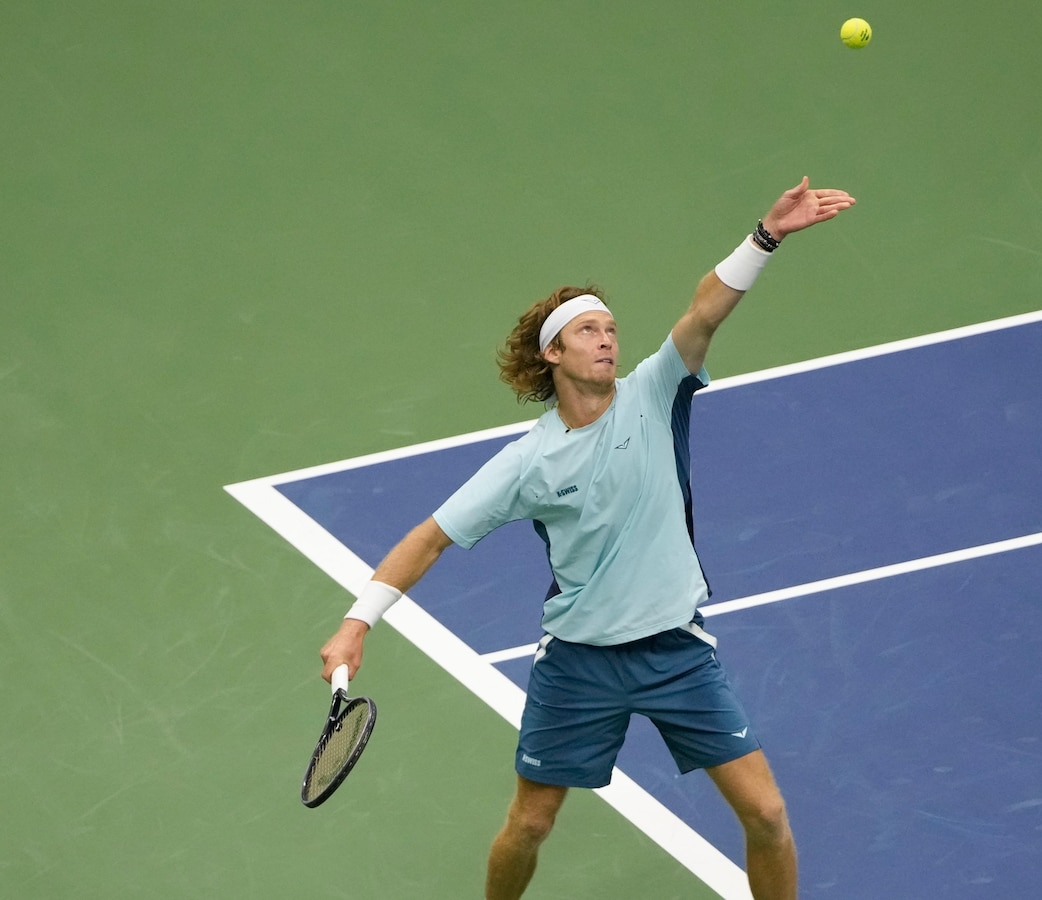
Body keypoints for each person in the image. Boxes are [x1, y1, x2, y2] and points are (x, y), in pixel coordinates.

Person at [318, 177, 855, 900]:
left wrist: (767, 234)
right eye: (587, 331)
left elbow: (705, 310)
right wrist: (357, 623)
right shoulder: (527, 462)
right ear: (553, 355)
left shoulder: (657, 390)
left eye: (609, 329)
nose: (607, 340)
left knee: (765, 812)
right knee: (530, 825)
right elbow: (429, 539)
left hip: (675, 651)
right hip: (579, 666)